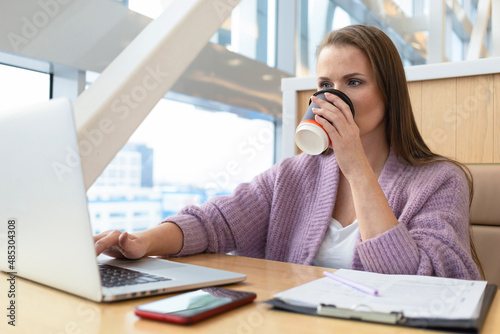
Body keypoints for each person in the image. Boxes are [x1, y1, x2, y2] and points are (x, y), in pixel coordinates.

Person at [94, 25, 482, 280]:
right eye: (325, 84)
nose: (334, 96)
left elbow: (426, 281)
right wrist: (141, 242)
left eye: (354, 82)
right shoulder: (294, 175)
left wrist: (357, 168)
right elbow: (215, 222)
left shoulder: (440, 181)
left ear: (389, 93)